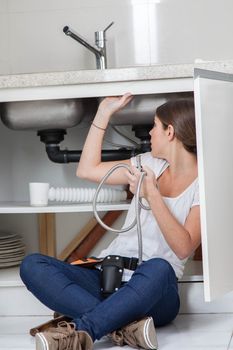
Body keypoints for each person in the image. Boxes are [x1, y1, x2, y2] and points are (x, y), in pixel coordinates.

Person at [20, 93, 201, 350]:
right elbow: (87, 170)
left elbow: (184, 247)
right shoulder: (149, 162)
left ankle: (85, 330)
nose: (150, 133)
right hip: (107, 275)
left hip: (153, 291)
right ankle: (125, 327)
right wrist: (103, 114)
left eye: (154, 126)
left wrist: (152, 194)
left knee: (159, 267)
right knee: (32, 265)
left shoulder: (203, 183)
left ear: (170, 131)